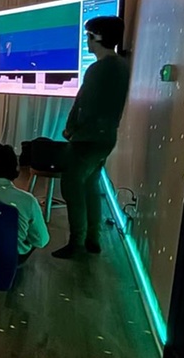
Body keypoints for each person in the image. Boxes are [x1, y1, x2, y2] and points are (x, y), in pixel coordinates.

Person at [53, 17, 130, 259]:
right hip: (106, 138)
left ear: (97, 37)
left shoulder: (99, 69)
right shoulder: (121, 66)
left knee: (72, 189)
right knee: (90, 187)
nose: (86, 40)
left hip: (86, 139)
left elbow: (84, 104)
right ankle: (92, 239)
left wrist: (71, 129)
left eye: (88, 35)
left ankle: (76, 243)